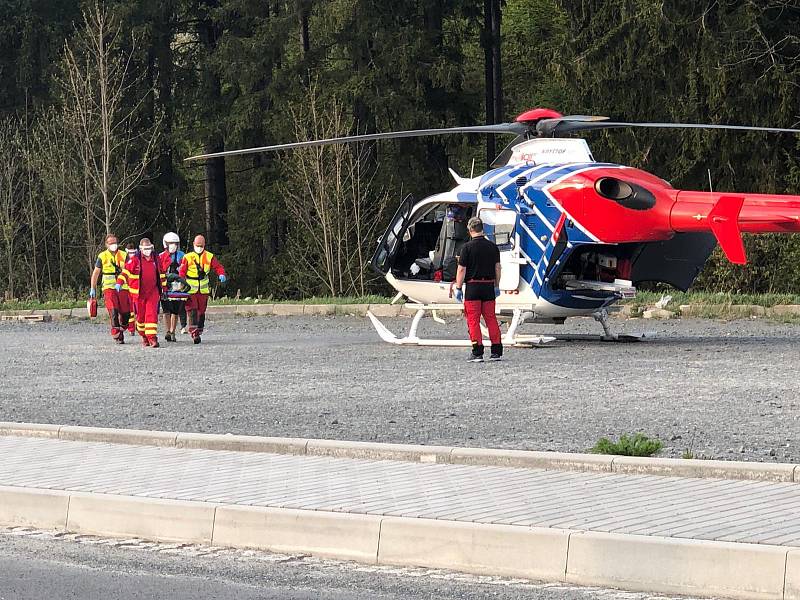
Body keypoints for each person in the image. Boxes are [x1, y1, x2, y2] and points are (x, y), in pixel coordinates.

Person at [452, 216, 503, 362]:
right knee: (491, 319)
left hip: (473, 287)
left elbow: (461, 270)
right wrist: (496, 285)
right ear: (483, 229)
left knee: (473, 320)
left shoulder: (466, 248)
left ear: (469, 230)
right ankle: (496, 351)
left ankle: (477, 351)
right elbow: (497, 268)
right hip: (488, 286)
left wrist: (458, 287)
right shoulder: (493, 247)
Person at [117, 238, 166, 348]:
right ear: (141, 249)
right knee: (140, 318)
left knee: (151, 314)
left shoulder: (156, 259)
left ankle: (152, 338)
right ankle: (144, 336)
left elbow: (162, 274)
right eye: (145, 248)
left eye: (149, 248)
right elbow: (126, 271)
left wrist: (164, 289)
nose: (148, 251)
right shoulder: (135, 260)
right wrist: (119, 282)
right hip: (139, 294)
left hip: (153, 292)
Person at [178, 234, 227, 344]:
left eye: (201, 245)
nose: (199, 247)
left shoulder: (209, 256)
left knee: (201, 312)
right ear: (193, 245)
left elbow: (218, 267)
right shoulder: (187, 257)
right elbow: (182, 271)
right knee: (192, 310)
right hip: (190, 289)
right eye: (197, 245)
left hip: (203, 290)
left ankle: (199, 330)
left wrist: (221, 274)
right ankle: (194, 333)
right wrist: (181, 282)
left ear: (204, 245)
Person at [89, 233, 130, 344]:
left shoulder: (124, 255)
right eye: (111, 243)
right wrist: (93, 288)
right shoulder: (102, 256)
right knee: (113, 311)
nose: (113, 245)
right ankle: (117, 335)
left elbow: (130, 270)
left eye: (115, 243)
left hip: (123, 287)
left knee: (126, 314)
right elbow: (96, 273)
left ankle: (122, 328)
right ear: (106, 245)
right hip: (108, 287)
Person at [158, 232, 187, 342]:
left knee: (175, 310)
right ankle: (167, 331)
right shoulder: (160, 257)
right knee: (166, 310)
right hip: (165, 287)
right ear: (165, 244)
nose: (173, 245)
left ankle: (173, 331)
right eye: (171, 243)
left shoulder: (182, 255)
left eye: (175, 243)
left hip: (178, 287)